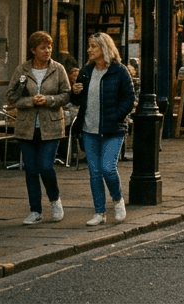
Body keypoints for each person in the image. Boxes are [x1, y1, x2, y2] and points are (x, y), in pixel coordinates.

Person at [6, 31, 71, 225]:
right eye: (43, 48)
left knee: (45, 166)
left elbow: (66, 95)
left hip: (50, 126)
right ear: (34, 50)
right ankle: (35, 210)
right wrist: (30, 101)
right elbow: (12, 97)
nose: (47, 51)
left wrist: (49, 99)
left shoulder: (58, 69)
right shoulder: (22, 70)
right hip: (27, 127)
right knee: (31, 170)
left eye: (49, 47)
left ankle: (55, 200)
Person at [71, 32, 135, 226]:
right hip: (89, 128)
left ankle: (117, 200)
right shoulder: (86, 71)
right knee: (95, 172)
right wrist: (74, 92)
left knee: (108, 167)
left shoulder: (119, 71)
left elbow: (129, 98)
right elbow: (77, 101)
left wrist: (116, 115)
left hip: (112, 129)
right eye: (89, 46)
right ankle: (99, 212)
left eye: (93, 46)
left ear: (104, 48)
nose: (89, 50)